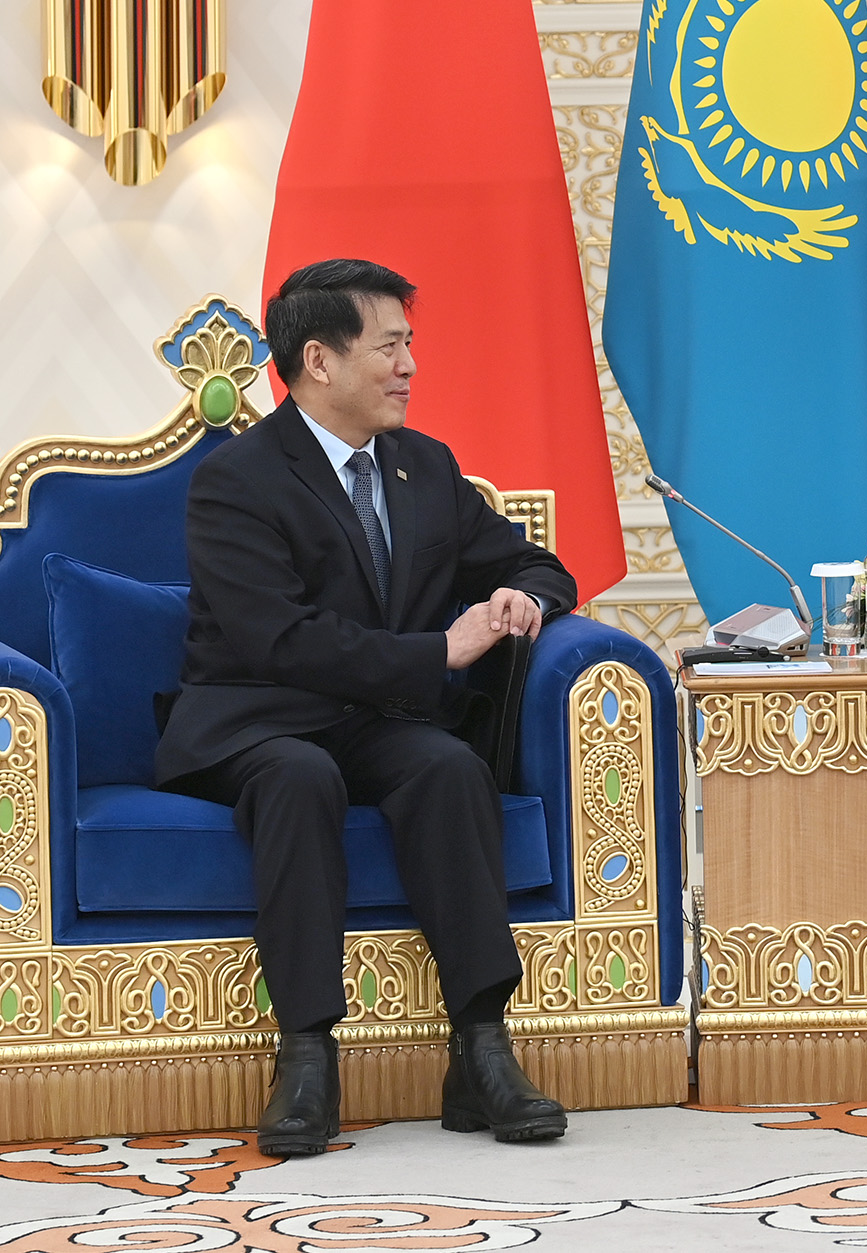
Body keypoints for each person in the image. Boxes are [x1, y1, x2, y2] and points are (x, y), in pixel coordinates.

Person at [155, 258, 579, 1156]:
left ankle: (481, 1049)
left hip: (377, 717)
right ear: (319, 359)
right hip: (260, 718)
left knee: (448, 766)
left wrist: (524, 598)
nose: (409, 365)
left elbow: (534, 562)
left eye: (408, 344)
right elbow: (280, 639)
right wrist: (438, 651)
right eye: (389, 346)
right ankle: (306, 1056)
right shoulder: (237, 480)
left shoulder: (424, 465)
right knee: (299, 776)